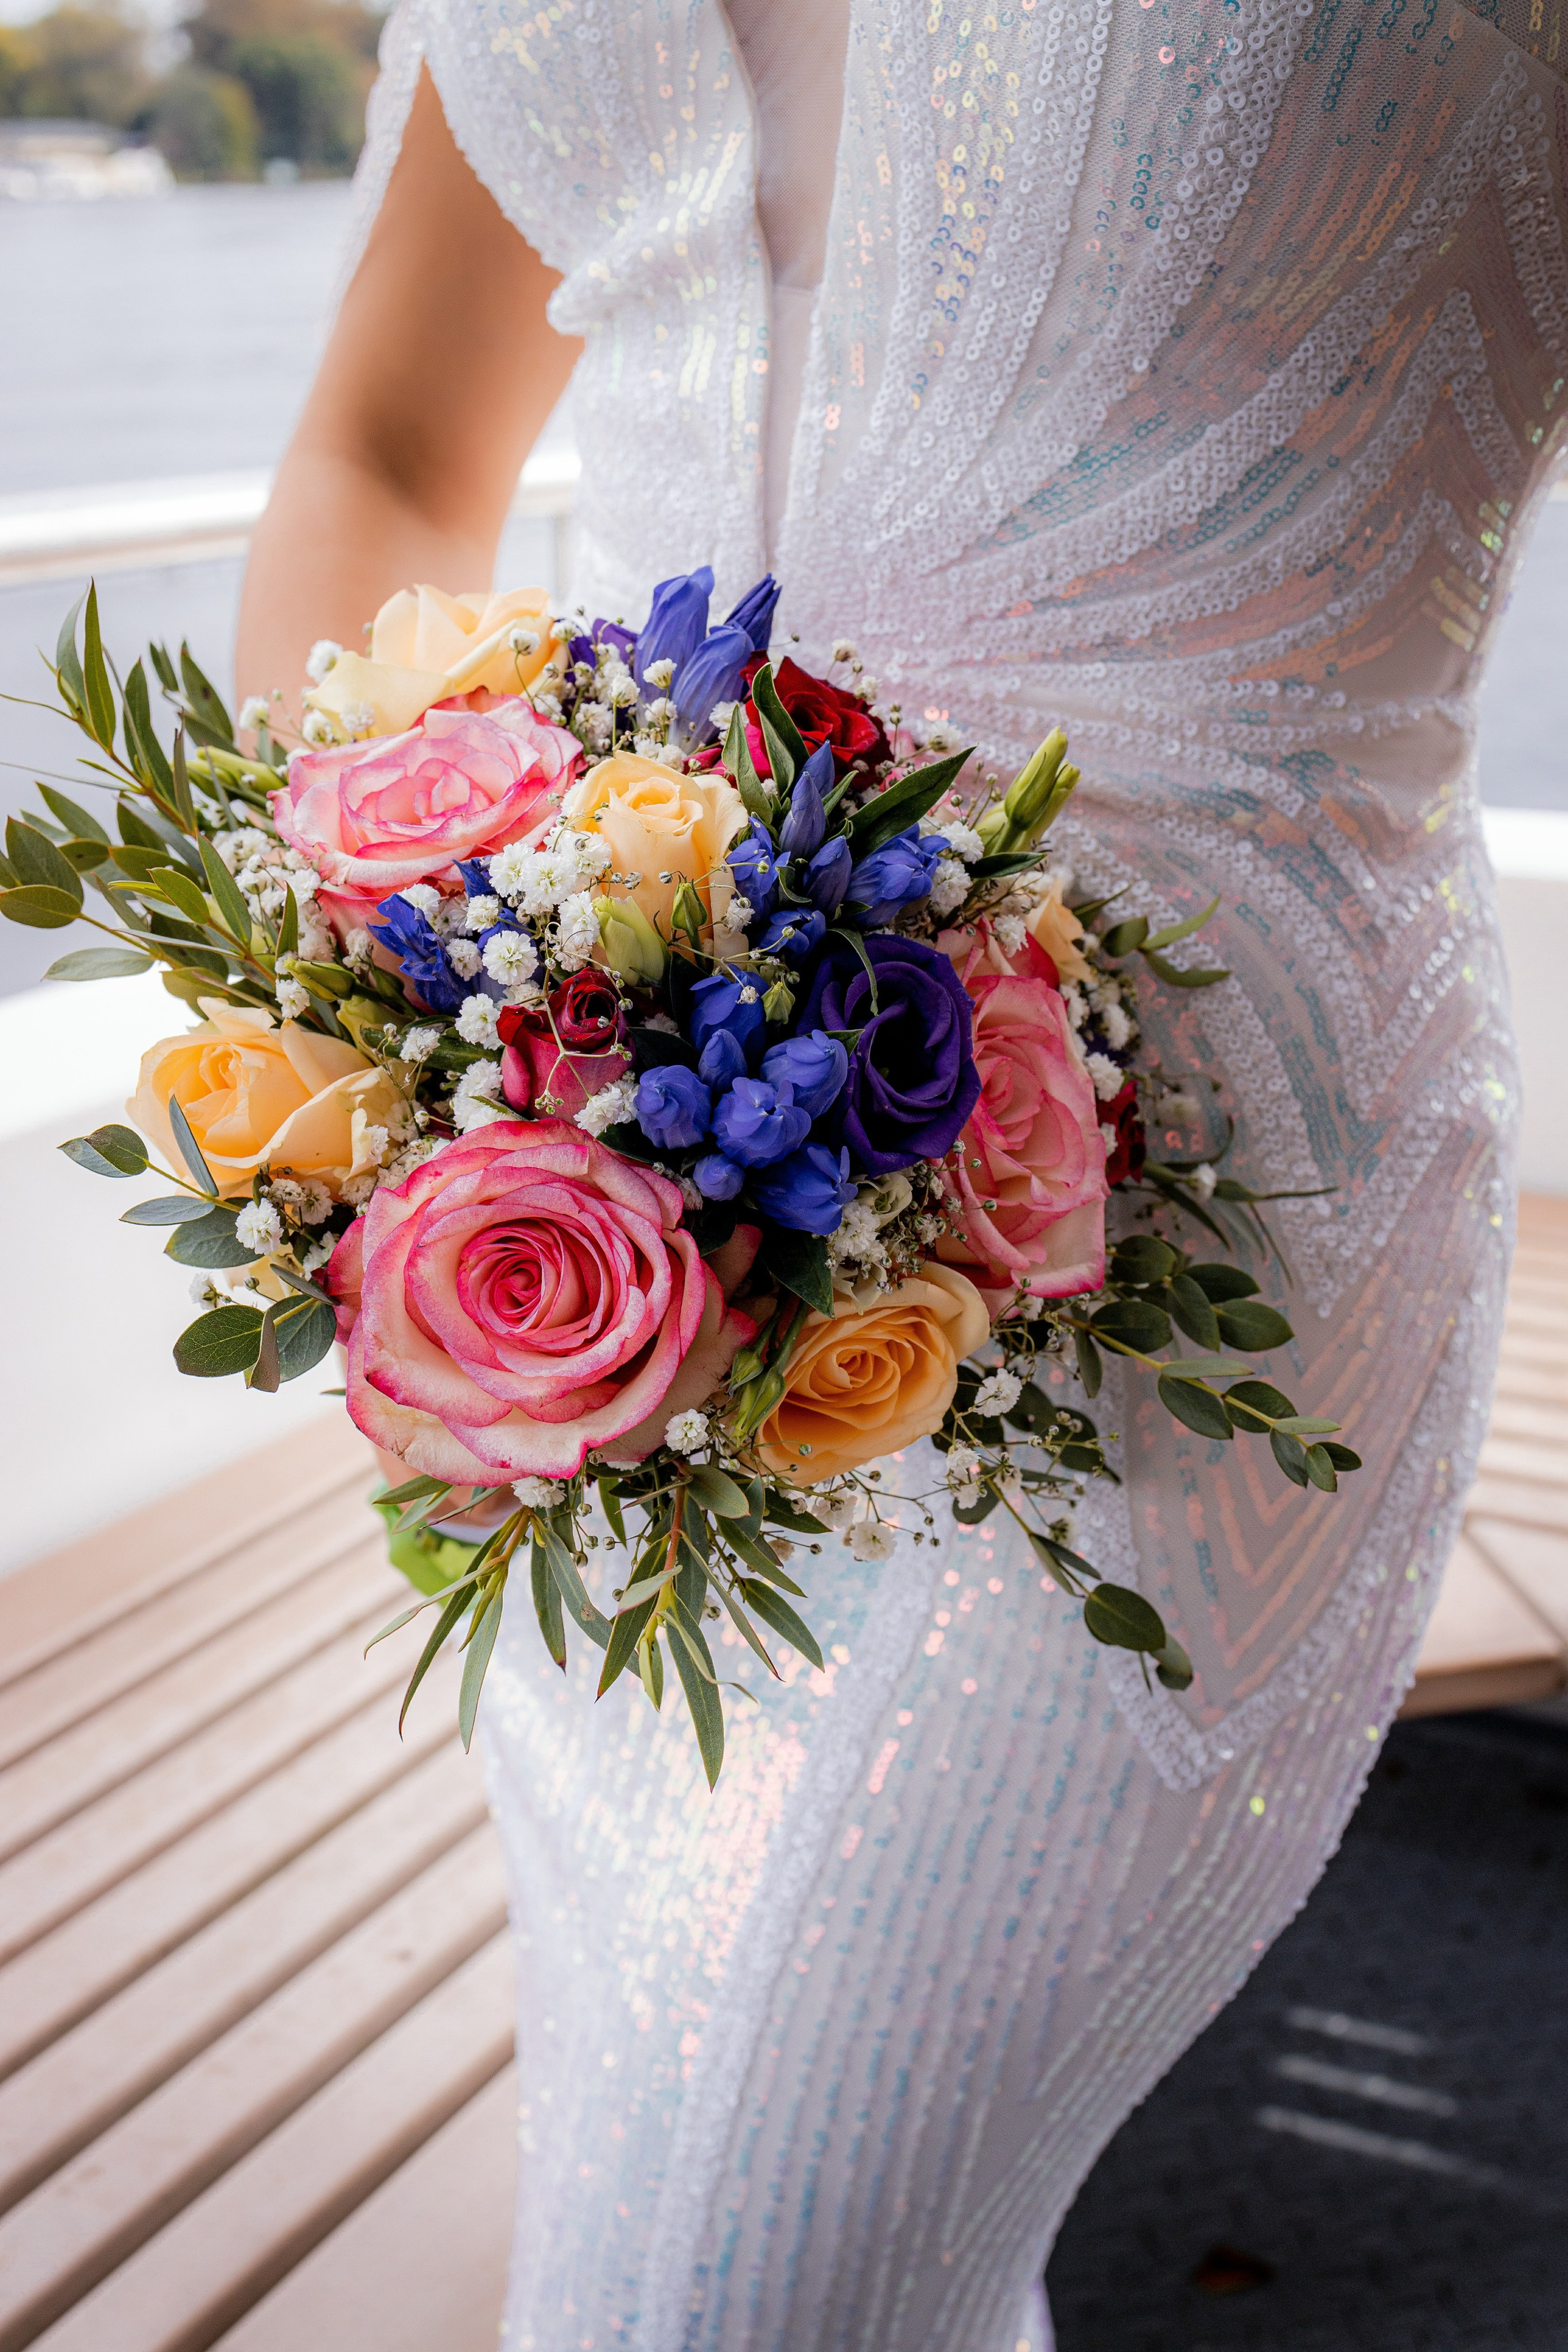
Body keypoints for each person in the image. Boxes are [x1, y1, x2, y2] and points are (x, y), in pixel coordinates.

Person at [238, 4, 1542, 2342]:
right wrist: (385, 991)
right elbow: (394, 445)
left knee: (727, 2290)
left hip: (1187, 1252)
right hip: (562, 1222)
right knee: (774, 2222)